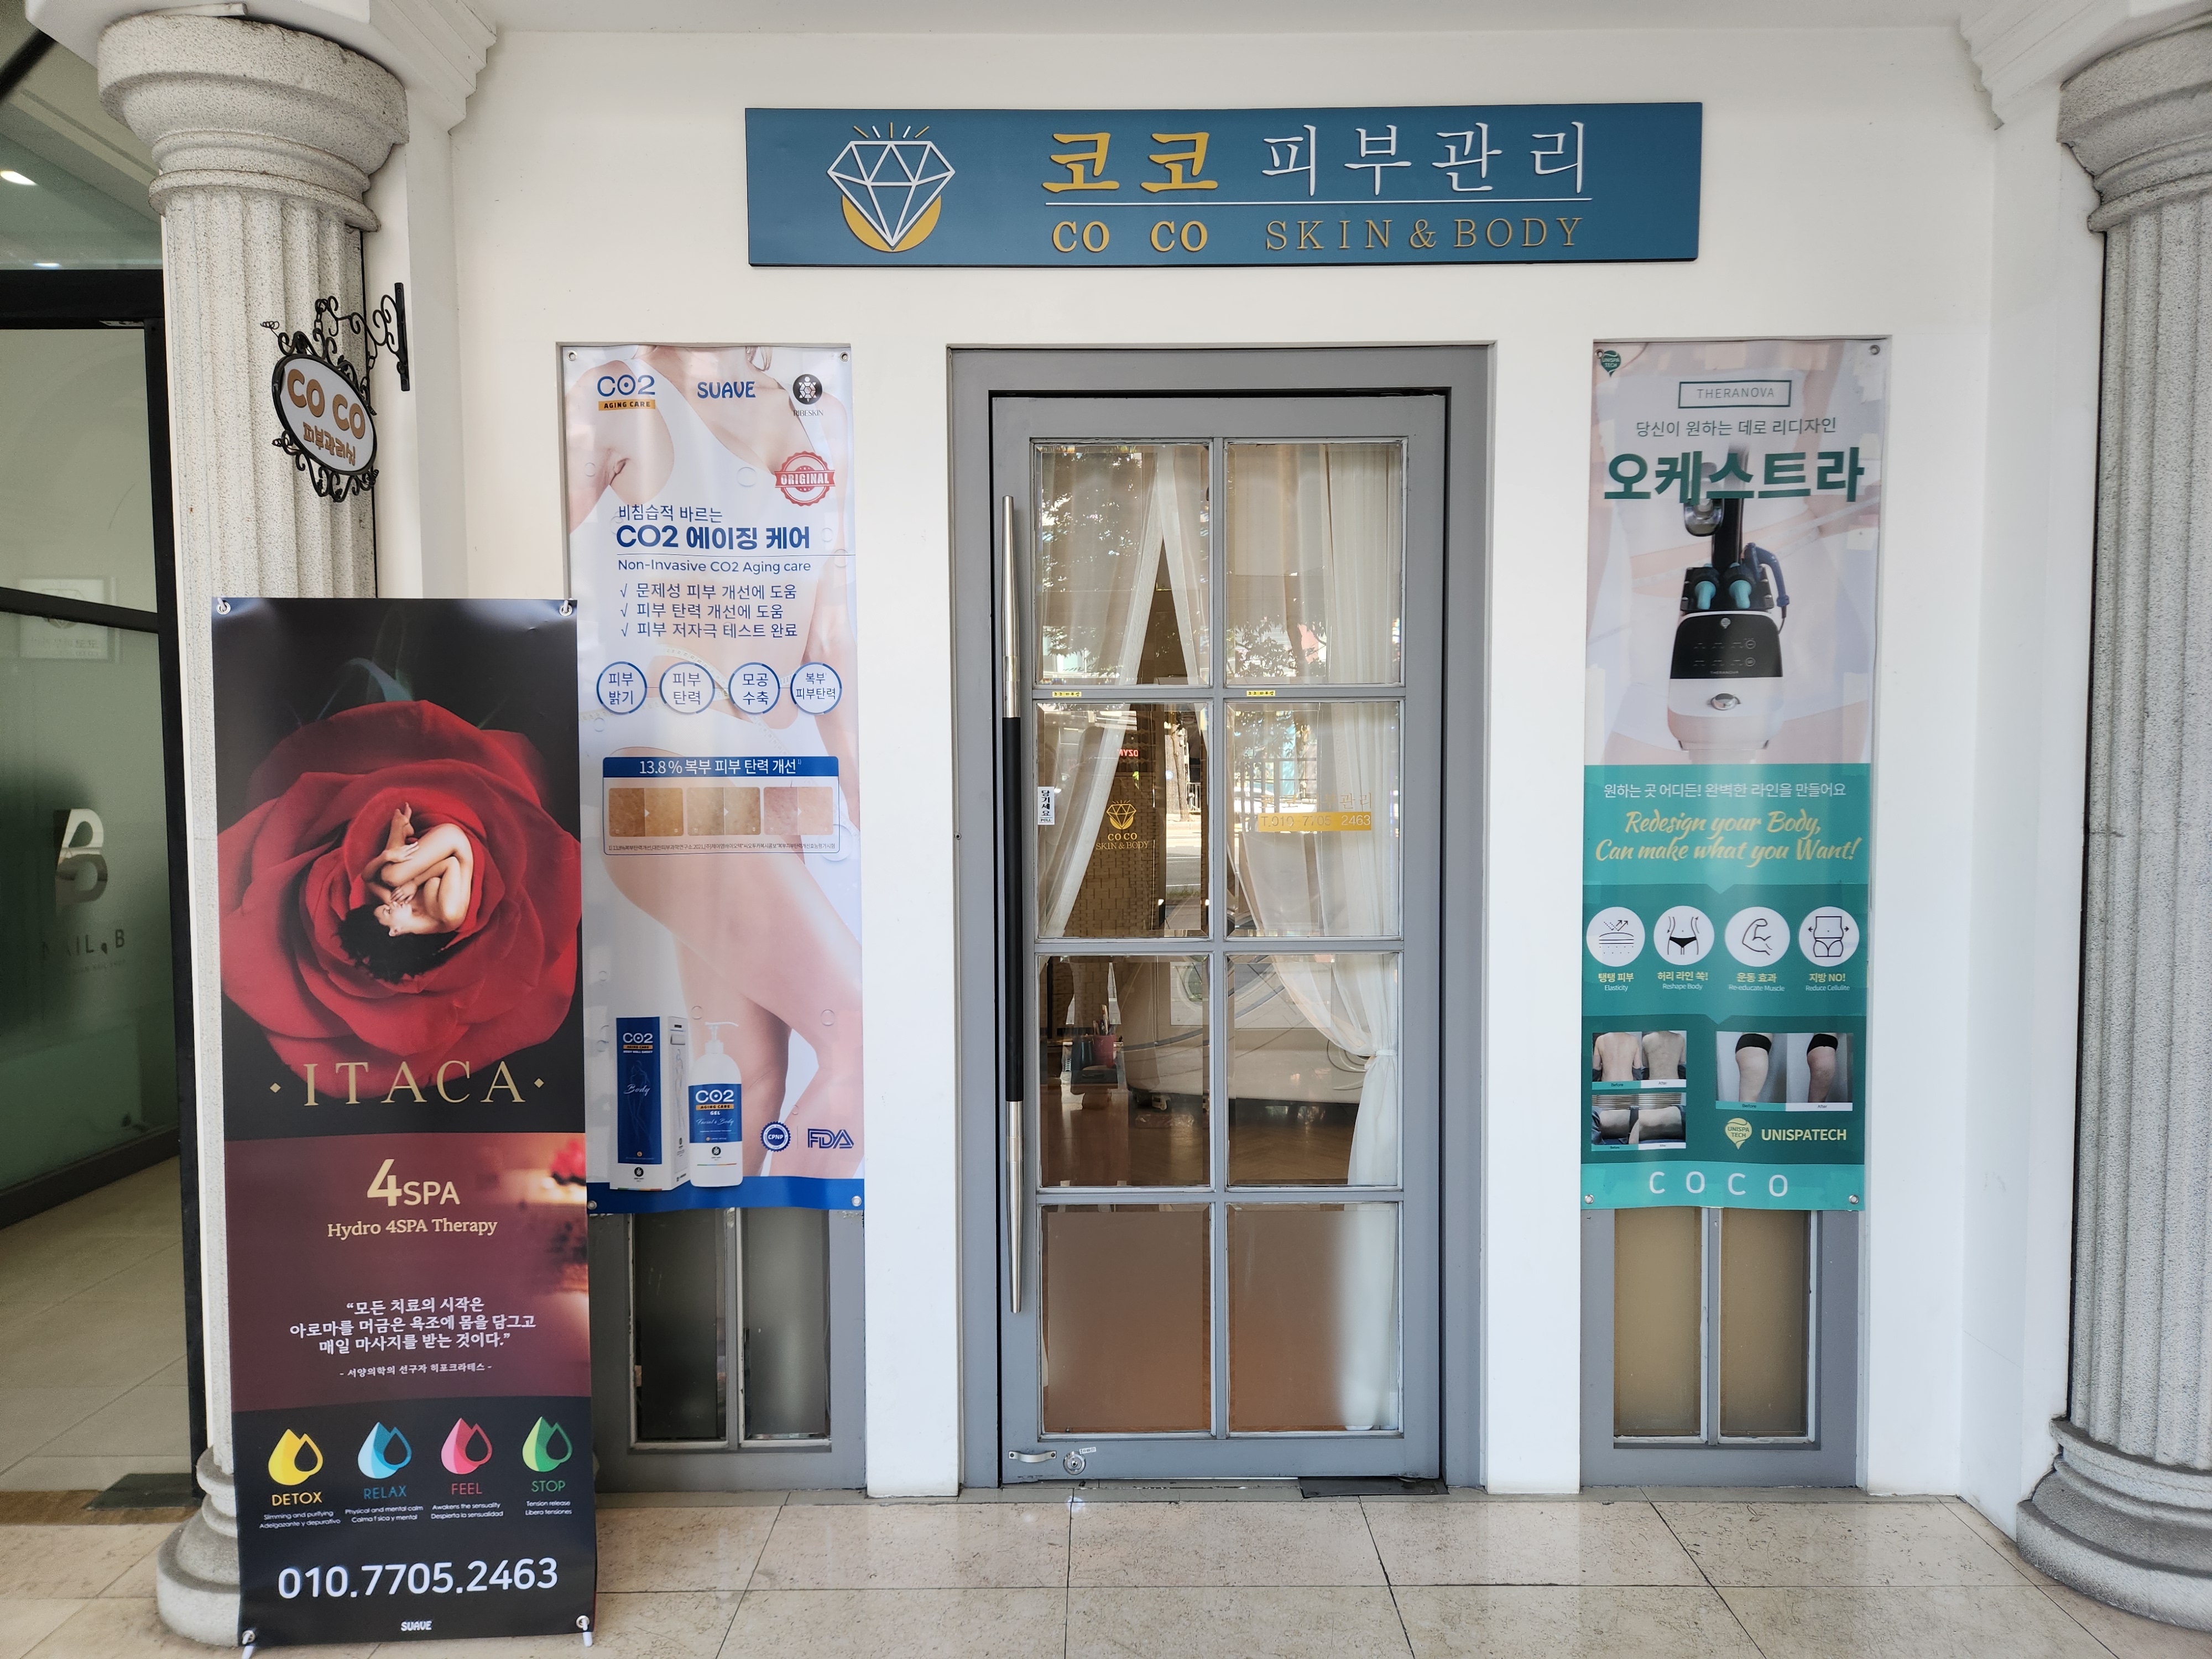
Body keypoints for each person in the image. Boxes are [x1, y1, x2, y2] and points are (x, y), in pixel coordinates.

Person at [567, 349, 862, 1180]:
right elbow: (525, 566)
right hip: (674, 771)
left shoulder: (822, 419)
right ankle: (789, 1236)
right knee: (858, 1040)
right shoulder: (620, 395)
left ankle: (727, 1243)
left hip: (774, 784)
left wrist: (869, 799)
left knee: (747, 1073)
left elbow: (830, 640)